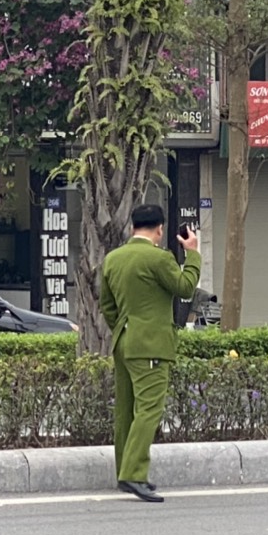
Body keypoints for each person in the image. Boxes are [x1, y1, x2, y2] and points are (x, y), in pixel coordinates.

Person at [99, 204, 201, 503]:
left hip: (123, 341)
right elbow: (184, 287)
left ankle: (124, 471)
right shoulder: (159, 258)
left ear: (133, 227)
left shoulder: (113, 259)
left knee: (125, 411)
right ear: (159, 229)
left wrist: (124, 328)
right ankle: (134, 474)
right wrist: (192, 254)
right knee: (149, 410)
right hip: (151, 345)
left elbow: (107, 305)